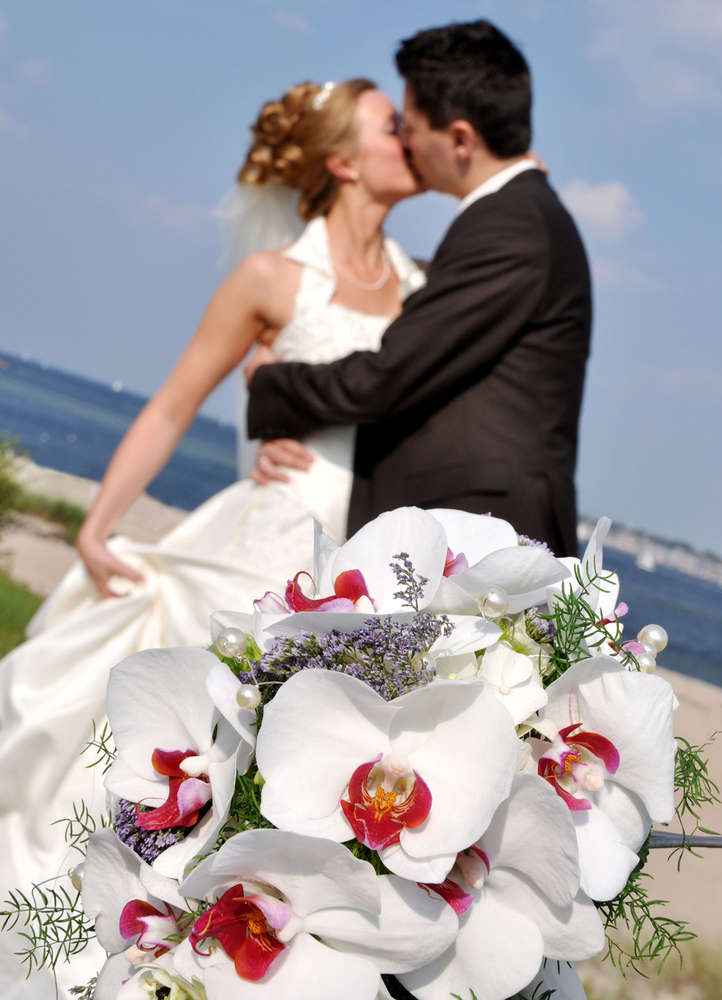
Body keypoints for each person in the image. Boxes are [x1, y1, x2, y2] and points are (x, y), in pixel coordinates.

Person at [0, 78, 425, 996]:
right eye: (392, 126)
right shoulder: (272, 279)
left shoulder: (432, 288)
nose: (411, 133)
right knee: (196, 757)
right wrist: (98, 526)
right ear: (344, 162)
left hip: (378, 563)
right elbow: (173, 402)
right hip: (271, 544)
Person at [246, 19, 592, 559]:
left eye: (411, 123)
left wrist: (273, 383)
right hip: (462, 525)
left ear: (459, 139)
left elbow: (385, 379)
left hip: (485, 537)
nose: (405, 138)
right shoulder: (514, 219)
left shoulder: (511, 225)